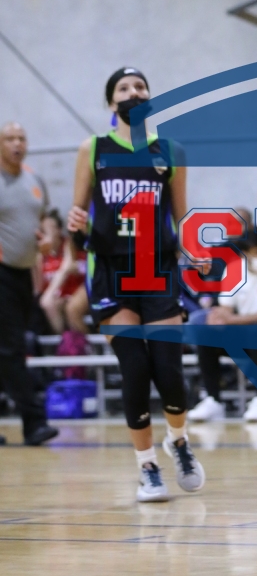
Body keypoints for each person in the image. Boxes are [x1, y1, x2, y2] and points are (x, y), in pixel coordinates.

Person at [67, 68, 204, 502]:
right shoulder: (93, 149)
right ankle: (147, 467)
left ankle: (178, 440)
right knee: (135, 369)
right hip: (110, 271)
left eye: (140, 87)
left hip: (158, 270)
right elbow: (77, 221)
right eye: (124, 88)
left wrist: (194, 250)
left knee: (169, 370)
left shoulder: (171, 151)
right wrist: (75, 227)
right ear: (111, 102)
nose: (134, 93)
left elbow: (181, 217)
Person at [0, 122, 59, 446]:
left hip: (23, 274)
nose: (17, 144)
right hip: (1, 274)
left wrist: (48, 237)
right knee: (12, 349)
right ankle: (34, 423)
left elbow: (45, 216)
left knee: (6, 350)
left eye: (21, 138)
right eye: (9, 138)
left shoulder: (34, 178)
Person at [187, 229, 257, 422]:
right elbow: (225, 308)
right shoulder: (235, 269)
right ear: (244, 253)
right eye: (256, 252)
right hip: (242, 330)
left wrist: (231, 320)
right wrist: (216, 318)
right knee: (206, 334)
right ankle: (212, 398)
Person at [35, 210, 88, 335]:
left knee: (71, 308)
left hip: (77, 291)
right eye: (43, 229)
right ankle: (64, 341)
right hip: (59, 296)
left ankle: (82, 343)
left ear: (59, 230)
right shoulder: (40, 253)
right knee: (49, 304)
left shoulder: (68, 245)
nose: (46, 232)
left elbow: (71, 267)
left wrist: (49, 294)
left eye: (50, 228)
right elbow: (38, 288)